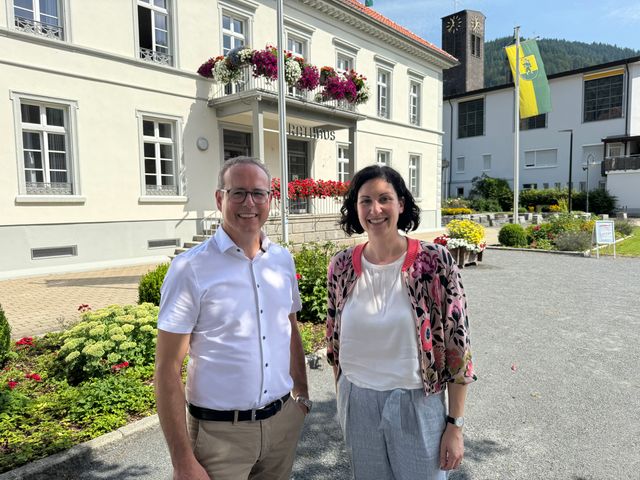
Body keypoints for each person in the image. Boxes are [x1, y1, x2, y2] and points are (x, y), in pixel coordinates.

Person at [155, 156, 311, 480]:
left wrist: (302, 395)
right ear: (219, 198)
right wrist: (182, 462)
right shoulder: (189, 269)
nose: (249, 203)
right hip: (220, 437)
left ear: (270, 199)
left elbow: (290, 327)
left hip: (282, 425)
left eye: (259, 193)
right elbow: (167, 369)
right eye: (238, 193)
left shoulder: (282, 260)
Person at [326, 165, 477, 479]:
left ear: (401, 204)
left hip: (416, 403)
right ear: (356, 208)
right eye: (365, 200)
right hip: (358, 403)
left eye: (385, 199)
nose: (375, 209)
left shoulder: (434, 262)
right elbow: (334, 342)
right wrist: (344, 399)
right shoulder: (341, 265)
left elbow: (457, 346)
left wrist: (455, 425)